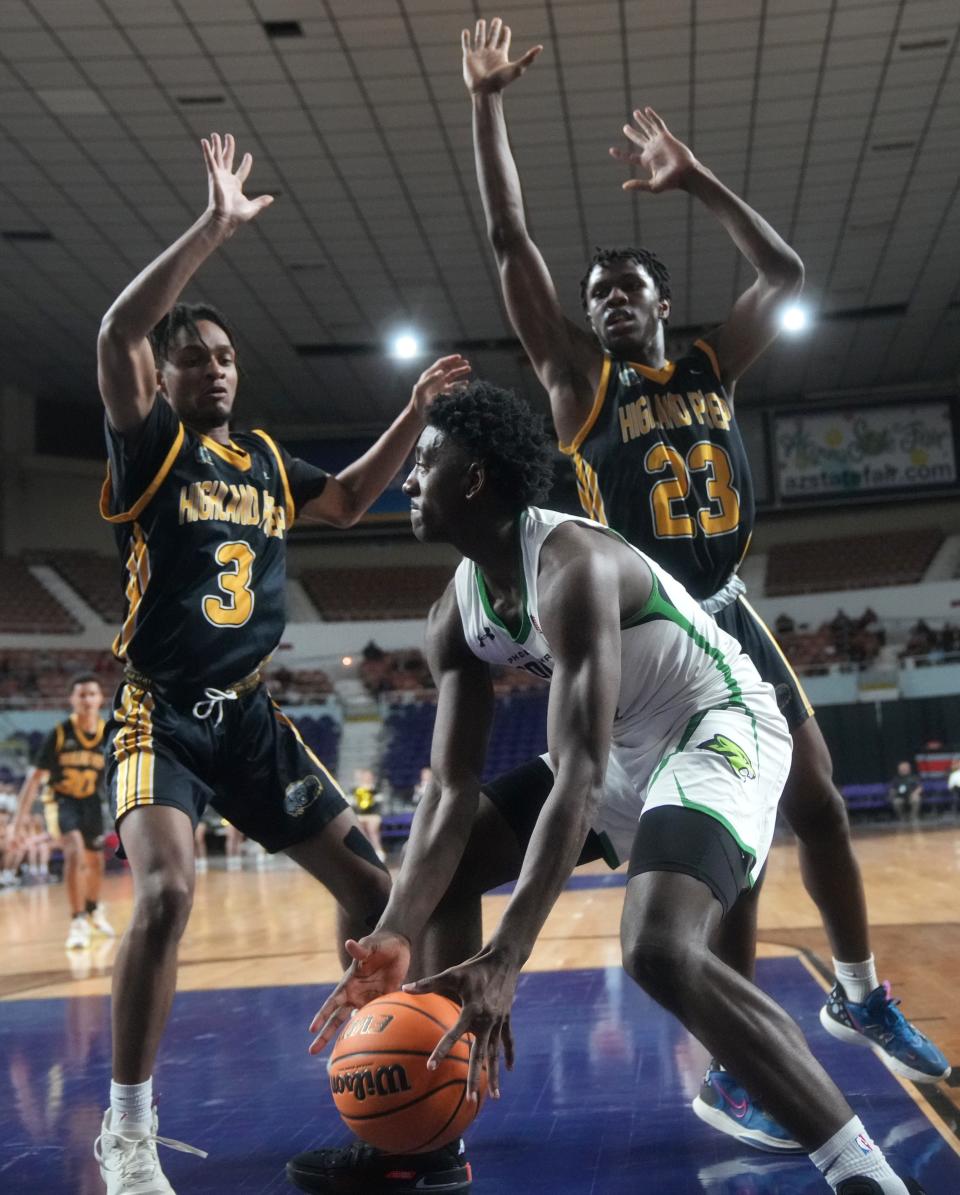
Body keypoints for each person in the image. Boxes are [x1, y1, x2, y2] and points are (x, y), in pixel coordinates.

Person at [458, 15, 949, 1146]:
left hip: (727, 607)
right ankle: (739, 1064)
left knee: (818, 799)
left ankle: (859, 991)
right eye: (598, 293)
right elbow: (507, 240)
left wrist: (697, 180)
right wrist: (488, 106)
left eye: (627, 286)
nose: (609, 300)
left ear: (661, 300)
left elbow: (784, 269)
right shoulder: (579, 386)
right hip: (653, 634)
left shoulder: (714, 362)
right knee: (736, 834)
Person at [289, 383, 925, 1195]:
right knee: (440, 875)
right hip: (625, 747)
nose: (408, 480)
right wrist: (393, 931)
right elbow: (450, 792)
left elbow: (578, 775)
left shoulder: (571, 564)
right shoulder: (454, 611)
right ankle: (427, 1139)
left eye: (425, 461)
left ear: (475, 477)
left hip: (716, 725)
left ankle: (861, 1170)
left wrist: (508, 955)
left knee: (657, 947)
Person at [93, 130, 470, 1195]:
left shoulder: (262, 459)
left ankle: (381, 1075)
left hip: (249, 717)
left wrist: (410, 415)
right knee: (168, 893)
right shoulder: (151, 446)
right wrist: (211, 228)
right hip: (159, 713)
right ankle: (127, 1128)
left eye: (224, 355)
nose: (212, 365)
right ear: (160, 377)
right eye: (193, 356)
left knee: (374, 888)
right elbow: (119, 321)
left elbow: (348, 498)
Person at [12, 674, 114, 948]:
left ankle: (92, 910)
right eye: (81, 695)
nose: (87, 700)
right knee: (74, 850)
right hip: (60, 801)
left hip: (90, 801)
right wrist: (17, 822)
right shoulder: (59, 733)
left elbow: (113, 777)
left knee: (95, 861)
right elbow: (33, 779)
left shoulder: (107, 733)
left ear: (100, 698)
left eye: (92, 694)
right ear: (71, 700)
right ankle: (77, 919)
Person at [351, 768, 386, 862]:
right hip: (360, 815)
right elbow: (352, 803)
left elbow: (378, 804)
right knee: (359, 830)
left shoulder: (375, 789)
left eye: (368, 776)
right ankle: (363, 852)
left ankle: (379, 851)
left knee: (372, 830)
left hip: (372, 815)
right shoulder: (356, 789)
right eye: (365, 776)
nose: (366, 778)